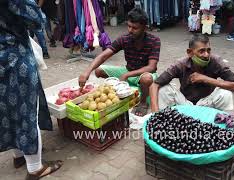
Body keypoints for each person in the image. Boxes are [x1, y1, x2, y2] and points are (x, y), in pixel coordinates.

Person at [0, 0, 63, 179]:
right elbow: (36, 19)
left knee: (7, 110)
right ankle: (35, 167)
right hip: (15, 58)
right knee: (27, 113)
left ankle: (19, 156)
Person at [78, 8, 161, 116]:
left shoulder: (154, 41)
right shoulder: (125, 39)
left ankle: (143, 102)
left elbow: (151, 67)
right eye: (129, 26)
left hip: (144, 74)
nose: (130, 30)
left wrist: (127, 75)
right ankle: (120, 91)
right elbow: (103, 56)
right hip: (128, 70)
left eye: (135, 28)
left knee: (147, 79)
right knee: (98, 71)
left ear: (144, 28)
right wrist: (87, 71)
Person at [149, 34, 234, 112]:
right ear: (190, 52)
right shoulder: (181, 64)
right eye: (201, 51)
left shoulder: (216, 62)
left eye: (208, 50)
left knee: (226, 92)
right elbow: (155, 84)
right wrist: (155, 113)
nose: (206, 55)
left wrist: (205, 79)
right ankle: (164, 118)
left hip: (207, 103)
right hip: (185, 103)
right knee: (164, 89)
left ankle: (217, 120)